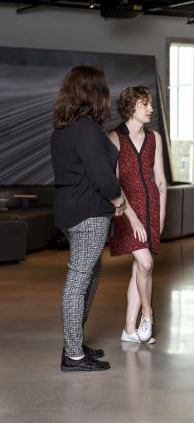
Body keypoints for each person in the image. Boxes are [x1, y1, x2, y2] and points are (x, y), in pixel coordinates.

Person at [51, 66, 125, 372]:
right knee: (79, 280)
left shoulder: (63, 129)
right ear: (95, 93)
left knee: (89, 276)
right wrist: (119, 200)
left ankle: (75, 342)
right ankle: (73, 354)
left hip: (70, 210)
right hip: (88, 212)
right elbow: (101, 177)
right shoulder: (86, 130)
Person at [108, 86, 167, 345]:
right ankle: (148, 313)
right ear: (131, 107)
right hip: (126, 211)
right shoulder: (114, 138)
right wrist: (129, 215)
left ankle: (129, 330)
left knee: (138, 270)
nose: (151, 109)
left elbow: (161, 181)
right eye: (146, 104)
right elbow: (114, 183)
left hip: (151, 208)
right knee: (145, 264)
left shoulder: (155, 137)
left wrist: (162, 216)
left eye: (151, 104)